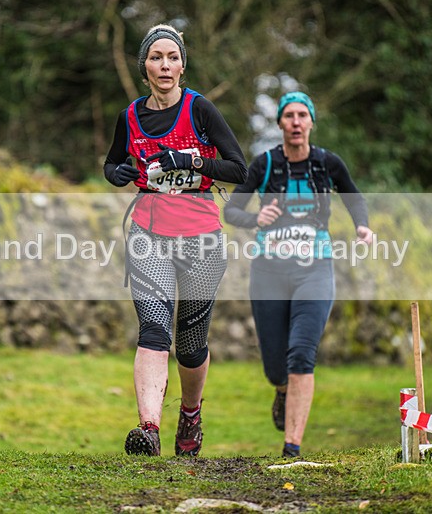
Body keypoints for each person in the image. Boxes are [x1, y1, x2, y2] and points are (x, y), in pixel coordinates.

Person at [103, 24, 247, 456]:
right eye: (155, 57)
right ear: (144, 66)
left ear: (183, 65)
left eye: (172, 57)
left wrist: (191, 159)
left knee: (189, 345)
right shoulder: (130, 116)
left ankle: (190, 411)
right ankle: (148, 428)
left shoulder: (200, 110)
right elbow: (111, 164)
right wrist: (119, 175)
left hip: (202, 239)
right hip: (148, 235)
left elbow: (240, 169)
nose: (164, 65)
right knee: (153, 328)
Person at [224, 91, 373, 458]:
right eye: (288, 115)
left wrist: (363, 228)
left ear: (311, 122)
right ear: (279, 124)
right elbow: (231, 212)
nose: (295, 122)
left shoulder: (327, 164)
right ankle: (280, 390)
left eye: (302, 115)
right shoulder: (264, 165)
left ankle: (292, 448)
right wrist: (256, 219)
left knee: (302, 356)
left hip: (315, 271)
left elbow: (354, 198)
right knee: (277, 367)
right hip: (269, 273)